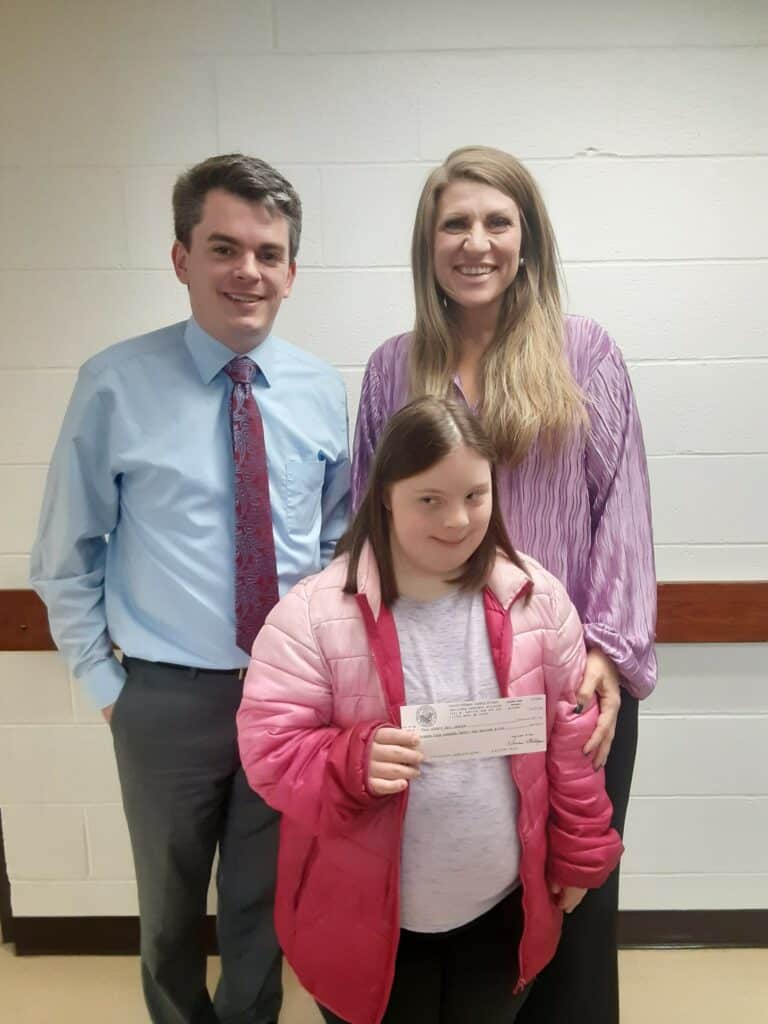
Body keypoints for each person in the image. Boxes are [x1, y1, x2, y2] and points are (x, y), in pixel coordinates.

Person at [30, 154, 351, 1024]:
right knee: (169, 910)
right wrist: (107, 687)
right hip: (163, 697)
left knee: (263, 905)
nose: (247, 270)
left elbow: (337, 542)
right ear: (182, 259)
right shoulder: (114, 384)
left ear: (291, 270)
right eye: (223, 247)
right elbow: (65, 553)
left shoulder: (324, 392)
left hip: (286, 698)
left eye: (268, 252)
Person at [351, 146, 657, 1024]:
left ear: (527, 241)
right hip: (439, 684)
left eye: (497, 222)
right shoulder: (391, 370)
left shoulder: (583, 353)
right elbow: (365, 526)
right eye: (456, 223)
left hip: (569, 682)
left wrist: (610, 651)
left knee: (574, 892)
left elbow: (621, 510)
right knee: (464, 898)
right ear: (429, 243)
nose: (475, 242)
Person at [237, 397, 624, 1024]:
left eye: (475, 495)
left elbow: (570, 740)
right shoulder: (311, 616)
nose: (458, 519)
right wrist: (352, 758)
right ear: (385, 495)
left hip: (501, 910)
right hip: (365, 920)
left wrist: (579, 854)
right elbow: (270, 750)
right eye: (429, 499)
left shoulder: (538, 599)